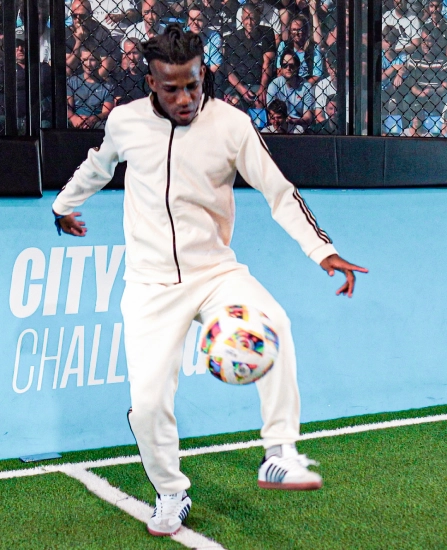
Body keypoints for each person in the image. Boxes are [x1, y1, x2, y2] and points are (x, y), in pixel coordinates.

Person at [52, 24, 368, 537]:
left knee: (275, 322)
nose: (185, 98)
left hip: (215, 272)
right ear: (151, 83)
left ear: (204, 76)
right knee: (148, 405)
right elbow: (98, 166)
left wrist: (322, 250)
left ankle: (280, 452)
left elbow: (279, 192)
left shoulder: (232, 125)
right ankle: (171, 491)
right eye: (171, 88)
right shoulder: (126, 122)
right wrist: (64, 206)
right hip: (150, 285)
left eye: (193, 85)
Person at [225, 3, 276, 108]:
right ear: (242, 19)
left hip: (258, 83)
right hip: (238, 85)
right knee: (234, 102)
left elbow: (267, 63)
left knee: (259, 103)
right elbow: (229, 70)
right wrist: (242, 90)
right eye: (246, 18)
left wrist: (262, 88)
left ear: (258, 18)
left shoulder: (267, 33)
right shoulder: (233, 38)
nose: (249, 23)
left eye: (252, 18)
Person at [66, 0, 120, 80]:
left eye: (82, 16)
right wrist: (78, 42)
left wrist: (89, 80)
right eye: (74, 16)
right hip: (74, 78)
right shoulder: (68, 32)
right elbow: (67, 67)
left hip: (97, 78)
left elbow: (105, 67)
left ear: (90, 15)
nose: (77, 20)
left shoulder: (102, 32)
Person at [67, 45, 114, 128]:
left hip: (96, 122)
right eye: (85, 60)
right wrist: (75, 118)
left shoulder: (107, 86)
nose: (88, 64)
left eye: (92, 60)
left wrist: (93, 119)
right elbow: (68, 107)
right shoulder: (72, 81)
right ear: (81, 60)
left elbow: (106, 112)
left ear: (99, 61)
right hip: (75, 119)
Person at [266, 48, 314, 131]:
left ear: (297, 67)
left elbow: (308, 117)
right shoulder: (274, 85)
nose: (288, 68)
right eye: (285, 65)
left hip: (299, 126)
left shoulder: (306, 86)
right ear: (281, 68)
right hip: (278, 124)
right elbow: (270, 113)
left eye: (291, 65)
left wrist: (293, 121)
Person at [276, 14, 323, 85]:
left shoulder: (314, 48)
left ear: (305, 31)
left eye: (299, 30)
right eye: (294, 30)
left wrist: (301, 87)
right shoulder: (284, 45)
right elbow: (279, 71)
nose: (296, 33)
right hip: (287, 83)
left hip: (306, 84)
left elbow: (316, 75)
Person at [112, 38, 151, 106]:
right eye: (128, 53)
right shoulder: (121, 78)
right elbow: (118, 104)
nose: (132, 58)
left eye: (135, 53)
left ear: (142, 53)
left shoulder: (151, 75)